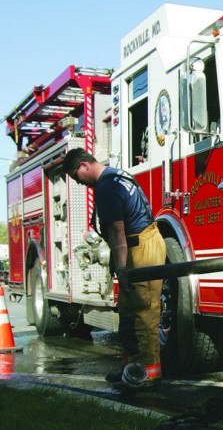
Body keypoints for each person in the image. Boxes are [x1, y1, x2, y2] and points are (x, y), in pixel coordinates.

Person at [61, 149, 166, 387]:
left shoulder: (106, 188)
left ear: (85, 165)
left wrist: (122, 270)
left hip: (139, 246)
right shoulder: (120, 175)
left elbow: (118, 235)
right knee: (130, 312)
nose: (79, 183)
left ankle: (146, 375)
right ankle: (131, 369)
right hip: (146, 242)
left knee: (142, 312)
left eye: (76, 176)